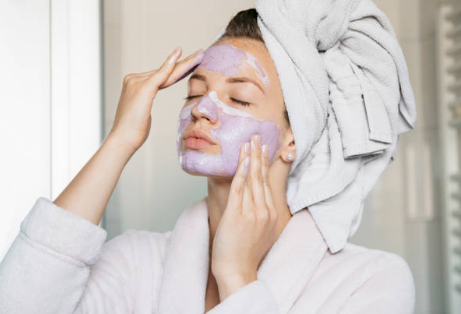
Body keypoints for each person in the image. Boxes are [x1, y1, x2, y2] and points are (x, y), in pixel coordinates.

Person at [0, 7, 416, 314]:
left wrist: (237, 276)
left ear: (294, 137)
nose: (203, 109)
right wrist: (120, 140)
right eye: (195, 92)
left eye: (238, 97)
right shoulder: (139, 262)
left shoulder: (369, 282)